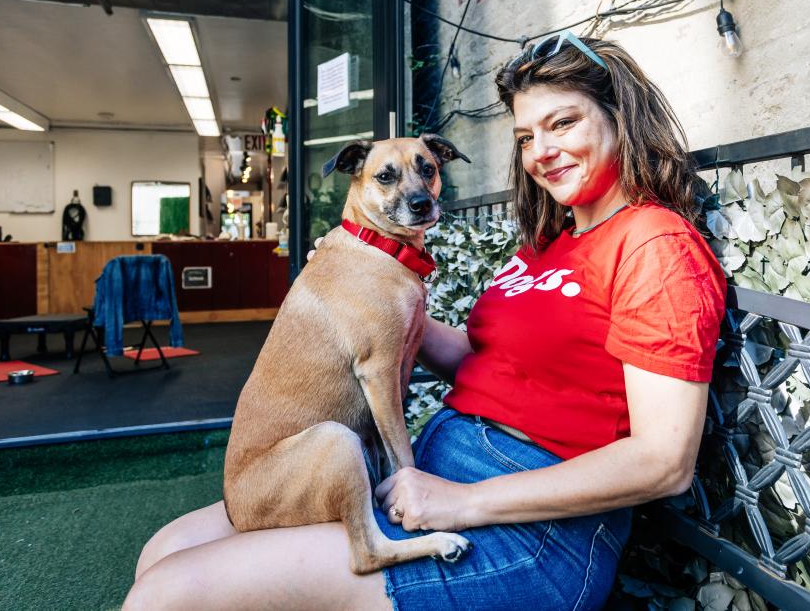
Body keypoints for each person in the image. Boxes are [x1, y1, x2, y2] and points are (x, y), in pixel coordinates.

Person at [123, 34, 726, 611]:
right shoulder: (549, 244)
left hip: (529, 532)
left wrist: (463, 502)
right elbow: (488, 363)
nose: (540, 151)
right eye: (524, 136)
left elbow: (662, 462)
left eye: (563, 123)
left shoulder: (655, 245)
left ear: (620, 118)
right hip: (425, 478)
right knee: (163, 551)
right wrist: (356, 294)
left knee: (168, 593)